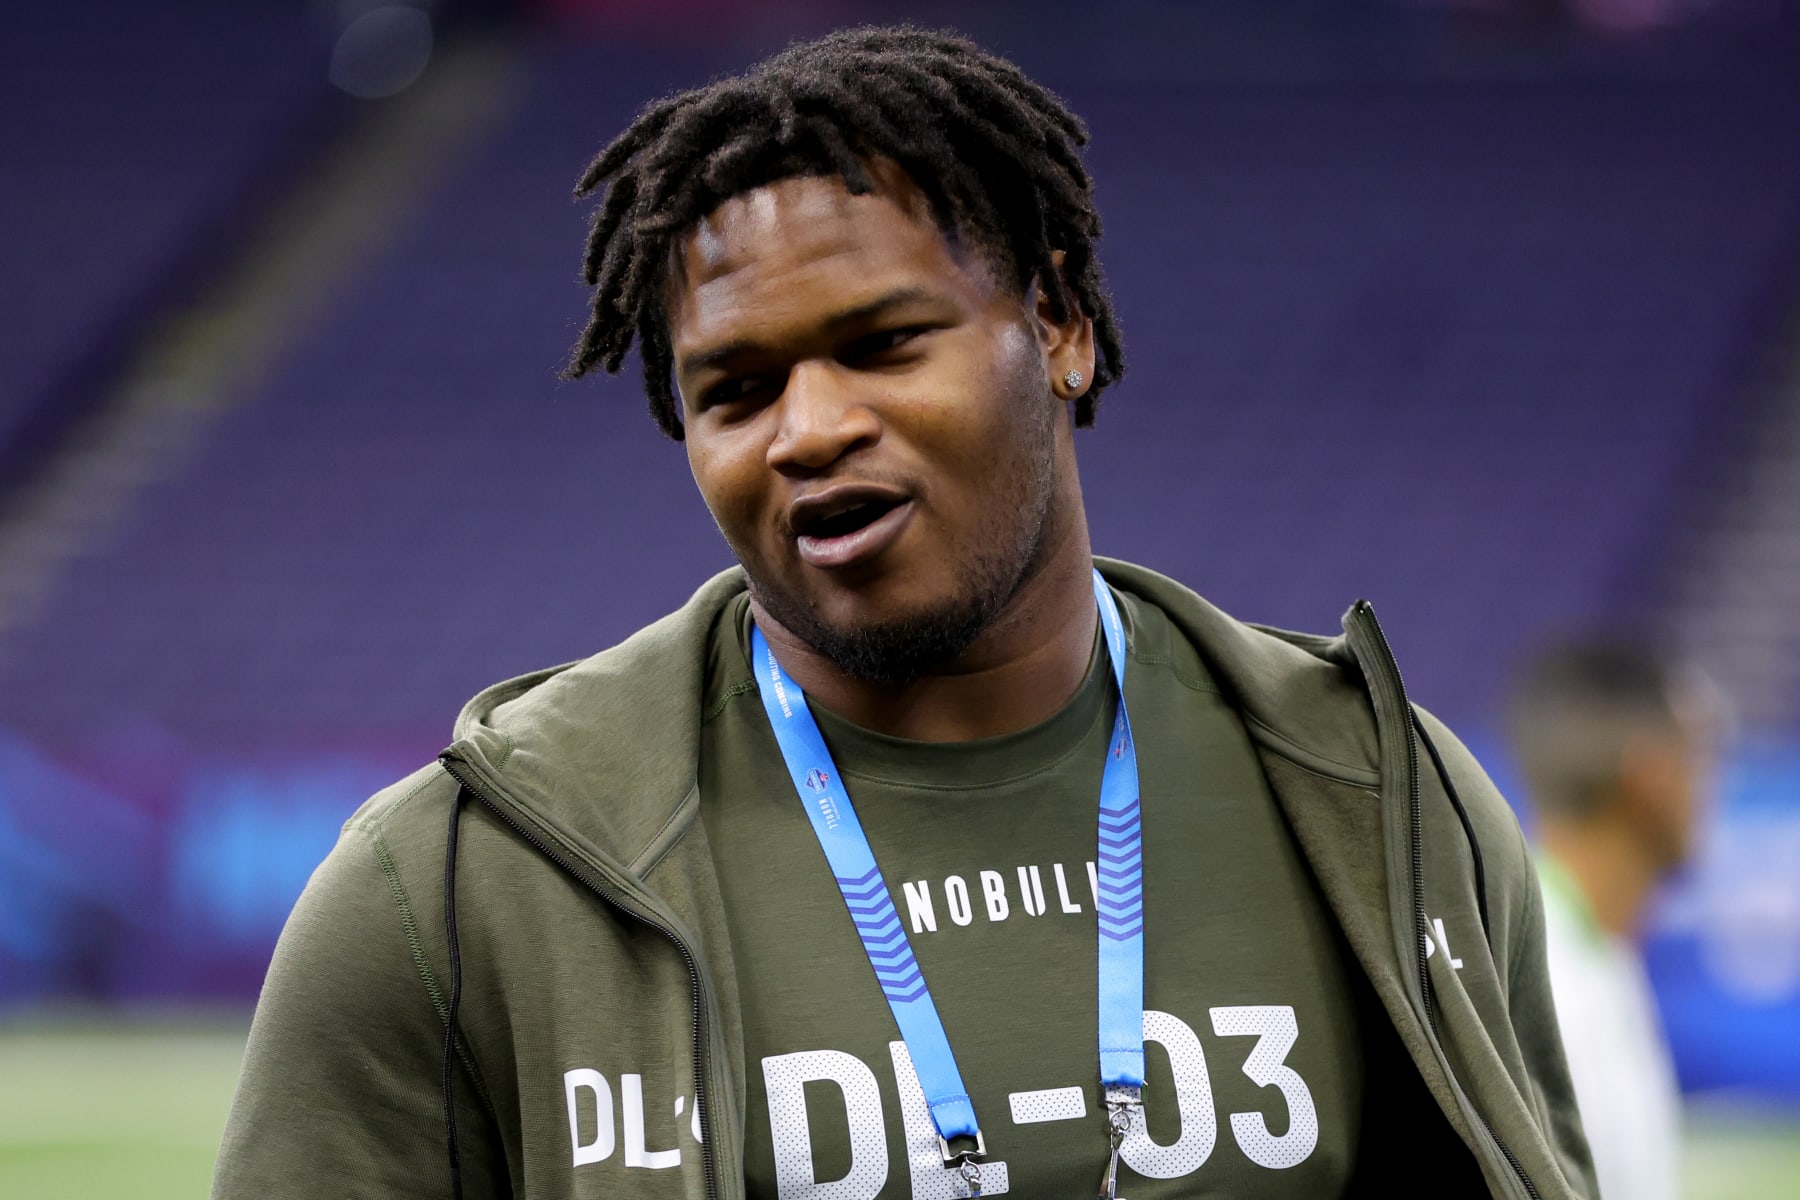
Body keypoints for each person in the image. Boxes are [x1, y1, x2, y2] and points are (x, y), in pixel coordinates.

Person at [213, 26, 1597, 1200]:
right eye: (736, 391)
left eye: (882, 346)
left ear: (1059, 324)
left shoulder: (1380, 801)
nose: (809, 430)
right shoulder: (459, 889)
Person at [1509, 639, 1720, 1200]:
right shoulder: (1547, 980)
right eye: (1699, 756)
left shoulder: (1593, 951)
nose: (1710, 788)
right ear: (1651, 777)